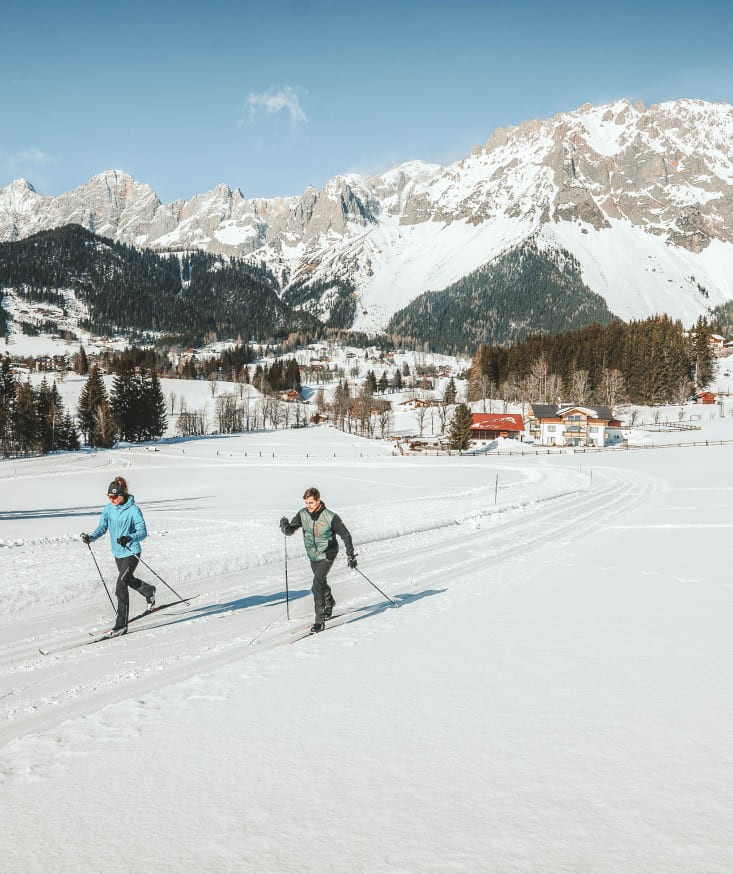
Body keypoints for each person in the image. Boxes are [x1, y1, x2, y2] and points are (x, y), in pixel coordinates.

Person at [81, 476, 156, 633]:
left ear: (123, 494)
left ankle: (121, 624)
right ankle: (149, 591)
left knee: (120, 585)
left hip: (132, 551)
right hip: (117, 553)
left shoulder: (133, 510)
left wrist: (129, 537)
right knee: (127, 580)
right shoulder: (108, 509)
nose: (112, 499)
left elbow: (143, 532)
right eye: (109, 496)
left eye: (115, 496)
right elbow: (102, 527)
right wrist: (91, 538)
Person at [280, 487, 357, 633]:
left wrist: (350, 555)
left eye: (311, 503)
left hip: (328, 553)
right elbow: (290, 531)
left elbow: (346, 535)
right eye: (306, 503)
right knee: (321, 581)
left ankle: (319, 621)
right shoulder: (303, 514)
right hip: (313, 555)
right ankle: (329, 602)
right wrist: (285, 526)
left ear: (318, 500)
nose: (308, 506)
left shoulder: (330, 517)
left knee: (316, 585)